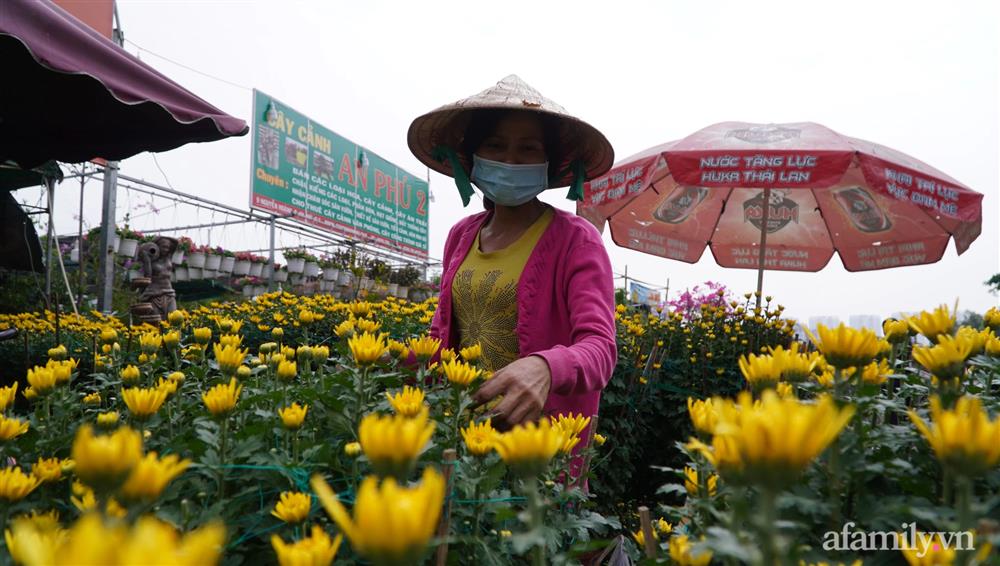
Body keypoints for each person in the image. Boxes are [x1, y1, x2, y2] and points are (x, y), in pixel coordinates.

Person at [407, 75, 617, 436]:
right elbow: (443, 332)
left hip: (541, 445)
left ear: (548, 163)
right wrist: (394, 359)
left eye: (528, 149)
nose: (510, 159)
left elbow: (600, 349)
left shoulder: (576, 240)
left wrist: (547, 368)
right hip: (464, 432)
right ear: (473, 158)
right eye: (495, 145)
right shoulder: (461, 235)